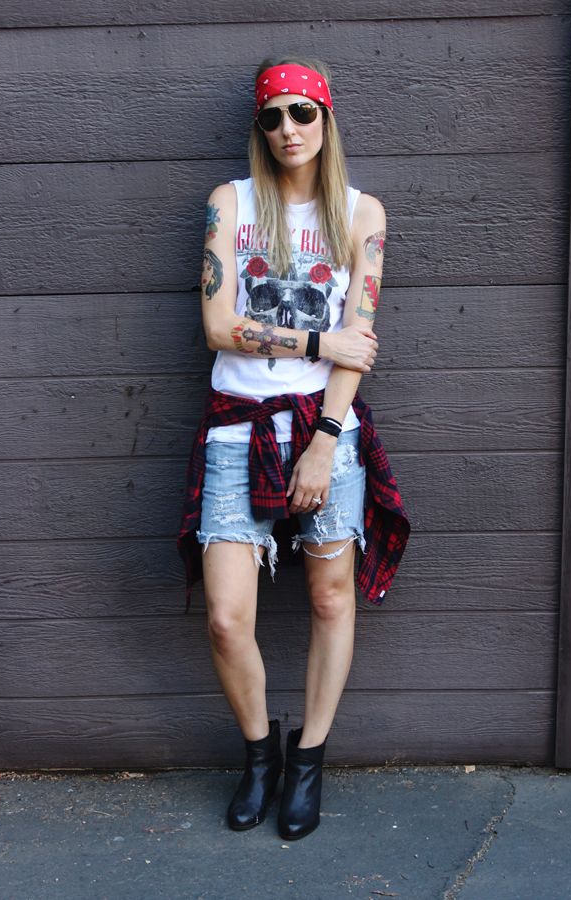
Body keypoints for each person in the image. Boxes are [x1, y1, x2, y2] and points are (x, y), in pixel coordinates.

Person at [177, 55, 410, 841]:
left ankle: (308, 759)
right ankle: (258, 756)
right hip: (237, 425)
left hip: (323, 426)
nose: (288, 130)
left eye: (302, 114)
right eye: (273, 116)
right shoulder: (230, 204)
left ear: (326, 121)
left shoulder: (361, 214)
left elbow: (361, 342)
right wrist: (318, 335)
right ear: (259, 127)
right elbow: (217, 327)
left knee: (329, 598)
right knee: (224, 616)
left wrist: (326, 440)